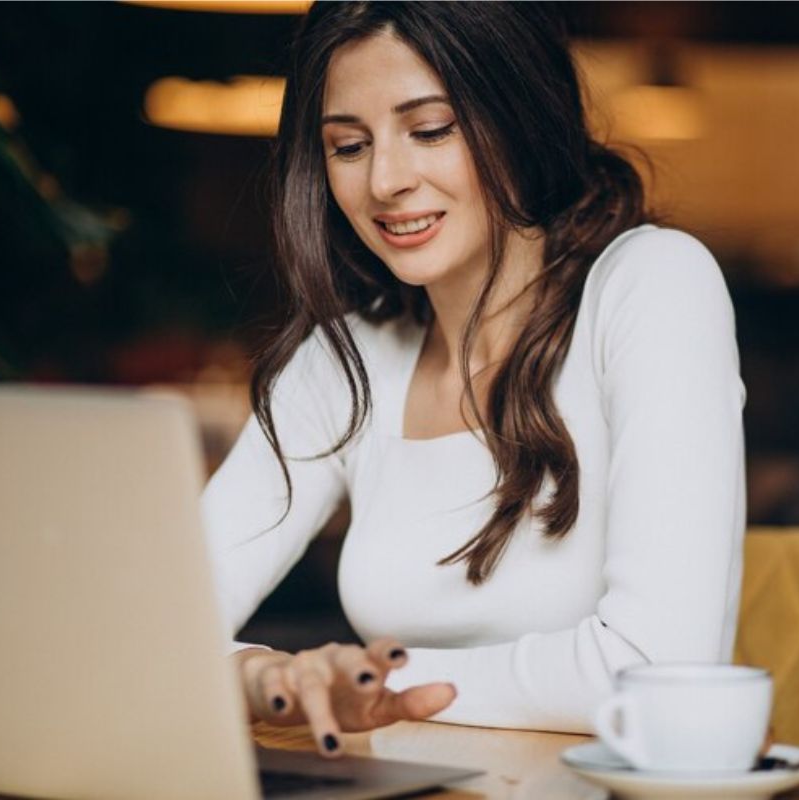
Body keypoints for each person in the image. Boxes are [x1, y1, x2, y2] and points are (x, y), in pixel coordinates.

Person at [201, 1, 746, 758]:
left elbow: (658, 671)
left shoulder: (653, 285)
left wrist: (373, 684)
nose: (386, 180)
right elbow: (156, 627)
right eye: (349, 146)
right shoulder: (347, 360)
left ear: (519, 115)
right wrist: (268, 678)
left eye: (430, 130)